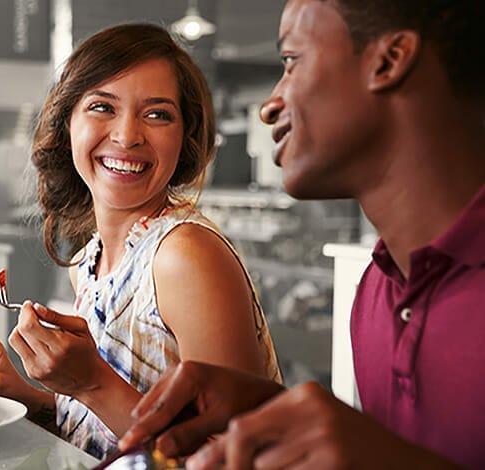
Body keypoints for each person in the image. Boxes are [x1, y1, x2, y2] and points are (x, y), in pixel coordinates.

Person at [119, 0, 485, 468]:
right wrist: (270, 414)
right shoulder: (379, 289)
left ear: (389, 62)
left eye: (291, 61)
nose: (270, 106)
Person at [0, 23, 281, 459]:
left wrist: (90, 381)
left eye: (157, 114)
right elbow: (107, 430)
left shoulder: (184, 256)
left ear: (186, 138)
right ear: (68, 122)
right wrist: (27, 397)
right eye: (103, 107)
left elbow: (240, 458)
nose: (127, 135)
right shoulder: (91, 261)